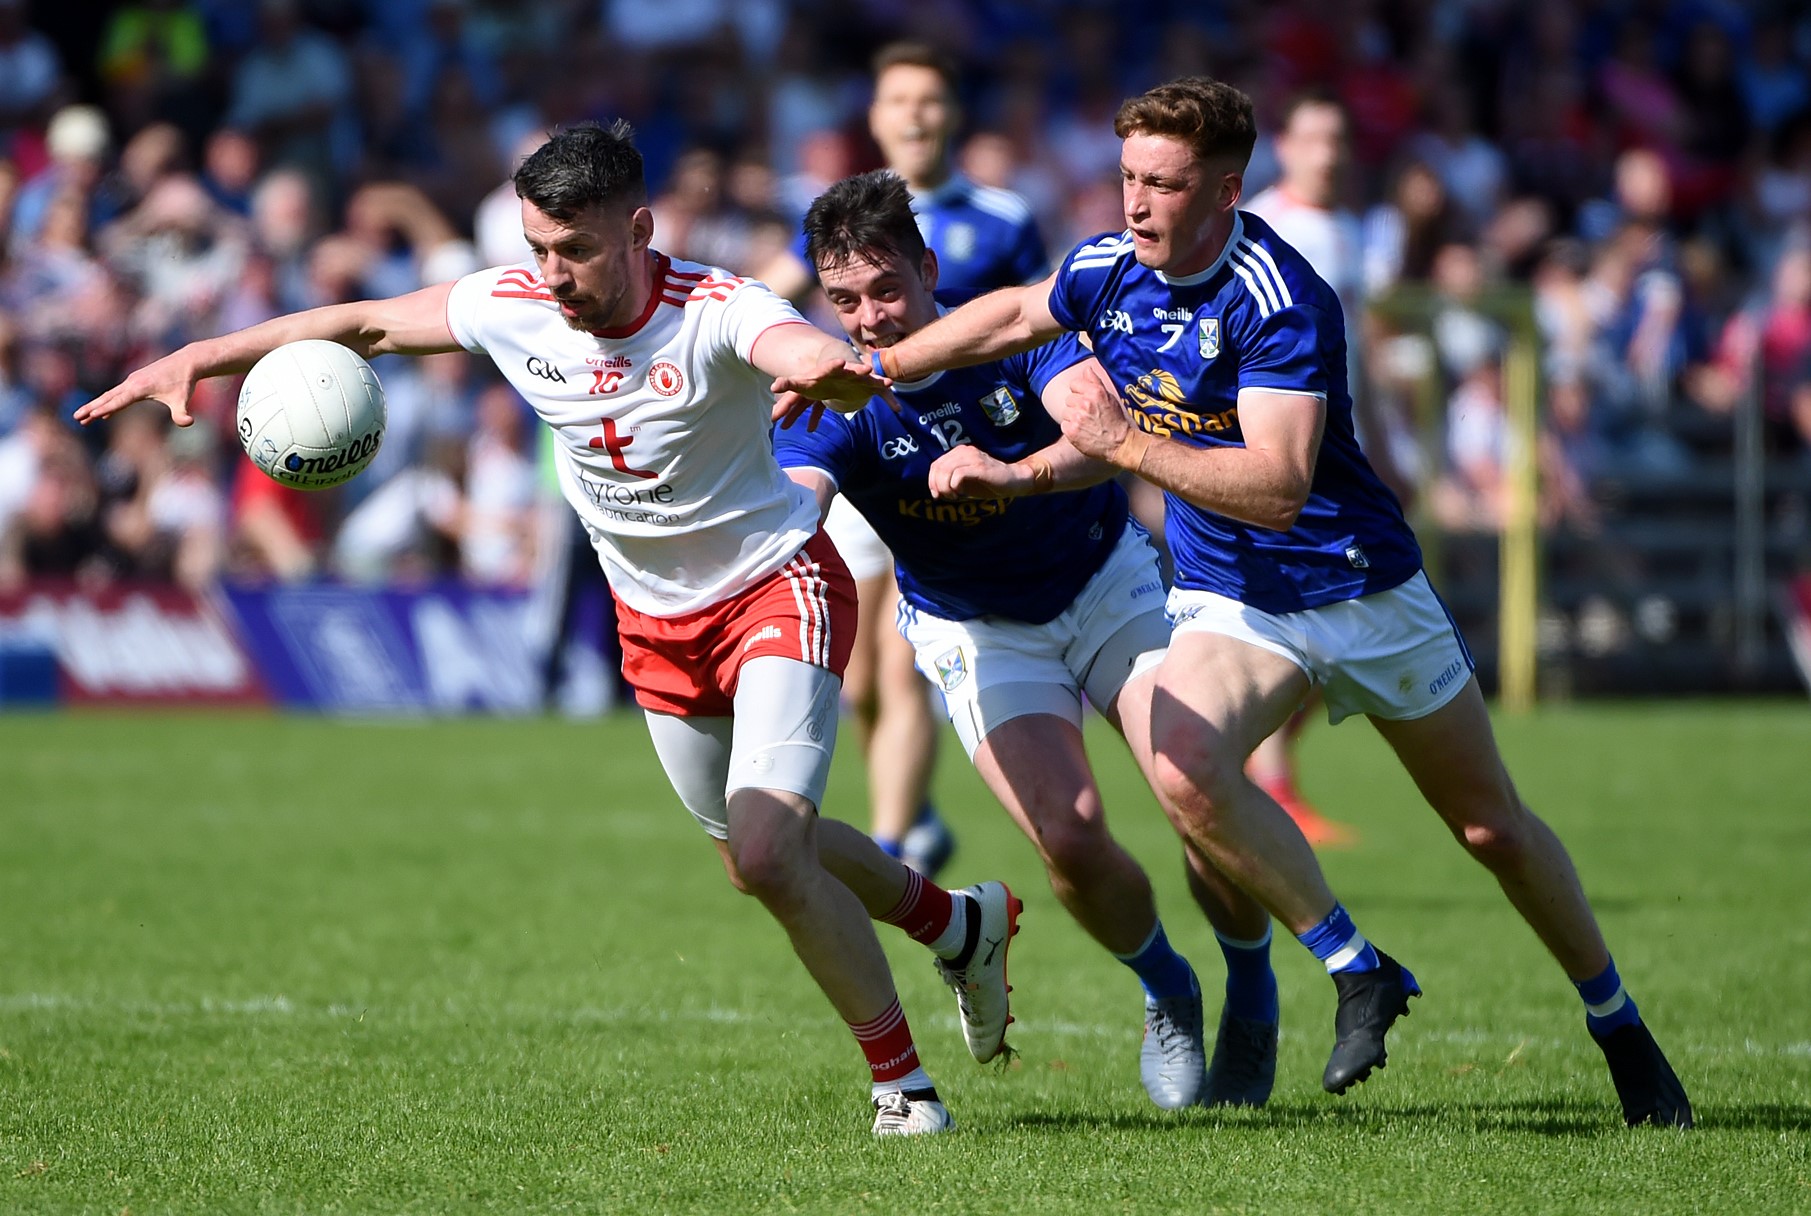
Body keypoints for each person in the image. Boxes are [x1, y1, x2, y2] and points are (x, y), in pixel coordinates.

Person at [75, 119, 1017, 1138]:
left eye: (574, 248)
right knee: (758, 850)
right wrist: (201, 357)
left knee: (765, 847)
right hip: (654, 622)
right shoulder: (514, 305)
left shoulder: (715, 307)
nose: (553, 273)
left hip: (774, 584)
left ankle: (904, 1090)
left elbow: (787, 342)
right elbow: (365, 326)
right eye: (537, 247)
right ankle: (955, 923)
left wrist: (826, 364)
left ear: (638, 228)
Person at [788, 76, 1693, 1127]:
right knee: (1180, 765)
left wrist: (1115, 444)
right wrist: (881, 364)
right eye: (1127, 177)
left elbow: (1276, 489)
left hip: (1356, 586)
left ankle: (1614, 1018)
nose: (1133, 204)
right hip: (1232, 599)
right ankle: (1341, 966)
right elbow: (1010, 311)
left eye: (1161, 184)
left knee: (1489, 829)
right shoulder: (1106, 268)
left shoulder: (1278, 296)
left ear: (1223, 191)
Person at [776, 169, 1281, 1109]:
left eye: (888, 289)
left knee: (1192, 783)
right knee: (1070, 841)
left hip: (1105, 582)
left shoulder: (1010, 332)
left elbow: (1106, 437)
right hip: (977, 628)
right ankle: (1168, 989)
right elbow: (789, 512)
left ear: (930, 272)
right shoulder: (832, 400)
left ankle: (1251, 981)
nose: (872, 317)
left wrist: (1007, 477)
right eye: (844, 300)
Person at [762, 41, 1051, 877]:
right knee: (860, 684)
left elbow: (1037, 321)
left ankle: (893, 843)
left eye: (929, 99)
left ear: (951, 113)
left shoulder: (1001, 217)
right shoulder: (839, 223)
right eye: (897, 100)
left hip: (946, 458)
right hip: (855, 450)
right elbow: (762, 299)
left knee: (902, 653)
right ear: (877, 117)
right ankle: (913, 817)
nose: (914, 114)